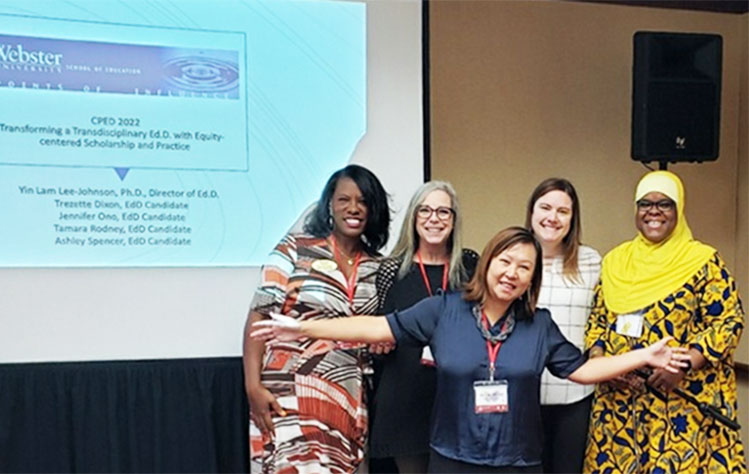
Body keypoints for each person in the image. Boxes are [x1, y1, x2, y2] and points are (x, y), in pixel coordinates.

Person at [251, 226, 689, 473]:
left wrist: (645, 355)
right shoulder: (443, 311)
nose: (512, 273)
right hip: (452, 459)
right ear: (488, 263)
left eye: (524, 268)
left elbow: (582, 370)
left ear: (531, 280)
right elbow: (375, 326)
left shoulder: (540, 325)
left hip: (518, 462)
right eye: (505, 261)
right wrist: (301, 326)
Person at [584, 170, 746, 474]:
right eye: (645, 203)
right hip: (620, 407)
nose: (654, 211)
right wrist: (603, 364)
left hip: (679, 405)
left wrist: (683, 366)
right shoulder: (615, 261)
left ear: (679, 210)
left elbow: (729, 321)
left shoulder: (702, 261)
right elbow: (596, 322)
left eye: (665, 204)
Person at [242, 164, 390, 473]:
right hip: (288, 394)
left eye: (363, 201)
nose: (353, 208)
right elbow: (259, 316)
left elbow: (385, 329)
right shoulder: (295, 249)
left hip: (348, 396)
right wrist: (252, 387)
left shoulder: (380, 267)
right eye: (343, 200)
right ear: (329, 206)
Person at [370, 181, 478, 473]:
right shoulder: (392, 269)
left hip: (457, 400)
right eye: (425, 210)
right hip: (406, 399)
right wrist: (379, 346)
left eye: (444, 211)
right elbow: (380, 332)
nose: (434, 218)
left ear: (454, 220)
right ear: (413, 218)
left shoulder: (469, 266)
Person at [525, 178, 601, 473]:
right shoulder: (515, 258)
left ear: (573, 218)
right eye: (545, 207)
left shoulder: (591, 261)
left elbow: (602, 322)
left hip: (575, 396)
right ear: (531, 213)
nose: (552, 218)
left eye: (562, 211)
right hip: (524, 396)